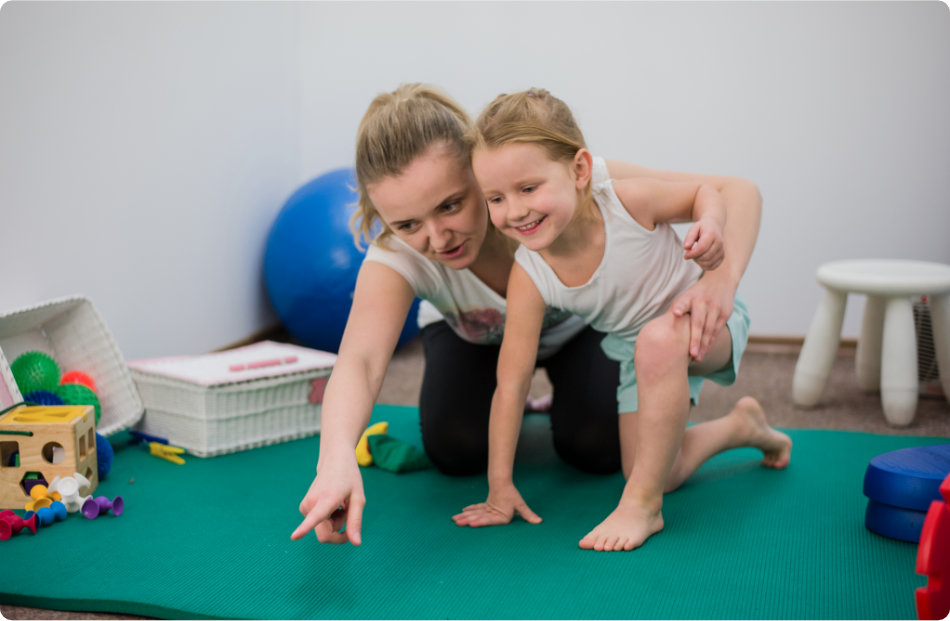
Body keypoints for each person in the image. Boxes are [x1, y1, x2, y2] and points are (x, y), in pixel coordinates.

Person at [291, 83, 766, 547]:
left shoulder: (565, 185)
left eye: (452, 204)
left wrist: (720, 281)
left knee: (596, 449)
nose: (438, 239)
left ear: (479, 171)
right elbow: (361, 362)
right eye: (408, 224)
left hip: (587, 331)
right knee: (455, 450)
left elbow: (736, 190)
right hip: (475, 342)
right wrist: (334, 459)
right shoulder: (397, 256)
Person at [452, 88, 792, 552]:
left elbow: (705, 193)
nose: (514, 211)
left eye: (528, 188)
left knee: (656, 345)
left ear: (579, 170)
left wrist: (712, 234)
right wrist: (499, 487)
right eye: (495, 198)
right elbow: (511, 385)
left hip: (707, 322)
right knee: (655, 470)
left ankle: (643, 509)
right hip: (640, 353)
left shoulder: (627, 202)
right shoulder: (530, 276)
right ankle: (742, 427)